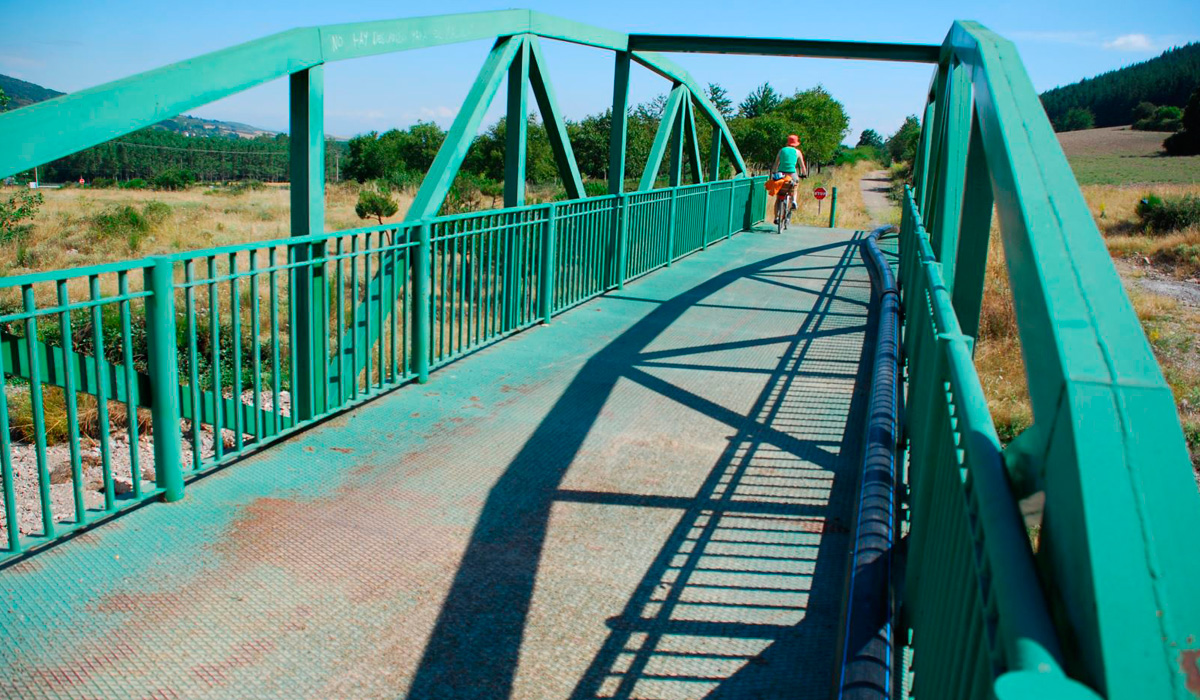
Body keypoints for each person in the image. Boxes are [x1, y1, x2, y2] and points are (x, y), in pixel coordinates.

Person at [765, 135, 808, 223]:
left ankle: (776, 217)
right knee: (795, 187)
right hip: (792, 174)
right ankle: (794, 201)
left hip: (781, 174)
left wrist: (774, 172)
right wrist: (804, 174)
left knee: (778, 197)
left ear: (788, 142)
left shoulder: (781, 150)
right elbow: (802, 166)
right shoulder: (797, 152)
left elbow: (776, 163)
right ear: (796, 143)